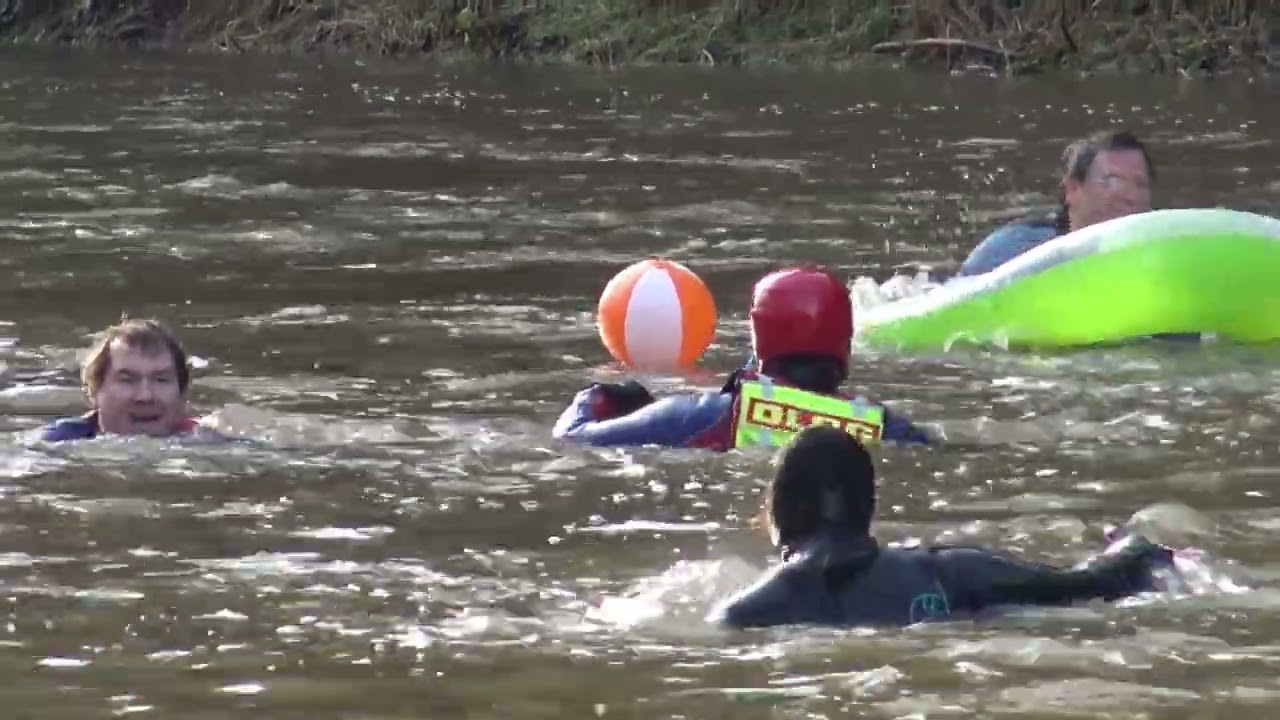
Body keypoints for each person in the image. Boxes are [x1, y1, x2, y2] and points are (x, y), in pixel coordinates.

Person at [707, 425, 1183, 629]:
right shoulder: (951, 573)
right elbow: (1094, 584)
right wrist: (1134, 545)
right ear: (867, 507)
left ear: (781, 513)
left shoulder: (742, 613)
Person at [552, 265, 931, 450]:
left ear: (760, 340)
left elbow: (572, 439)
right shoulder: (884, 426)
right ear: (844, 346)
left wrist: (598, 397)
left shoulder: (695, 415)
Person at [956, 130, 1155, 278]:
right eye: (1112, 181)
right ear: (1073, 190)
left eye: (1141, 184)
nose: (1130, 196)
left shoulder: (1160, 252)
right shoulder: (1014, 249)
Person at [40, 317, 209, 442]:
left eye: (161, 380)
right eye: (127, 380)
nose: (145, 396)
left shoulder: (208, 440)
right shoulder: (57, 441)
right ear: (94, 390)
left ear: (182, 394)